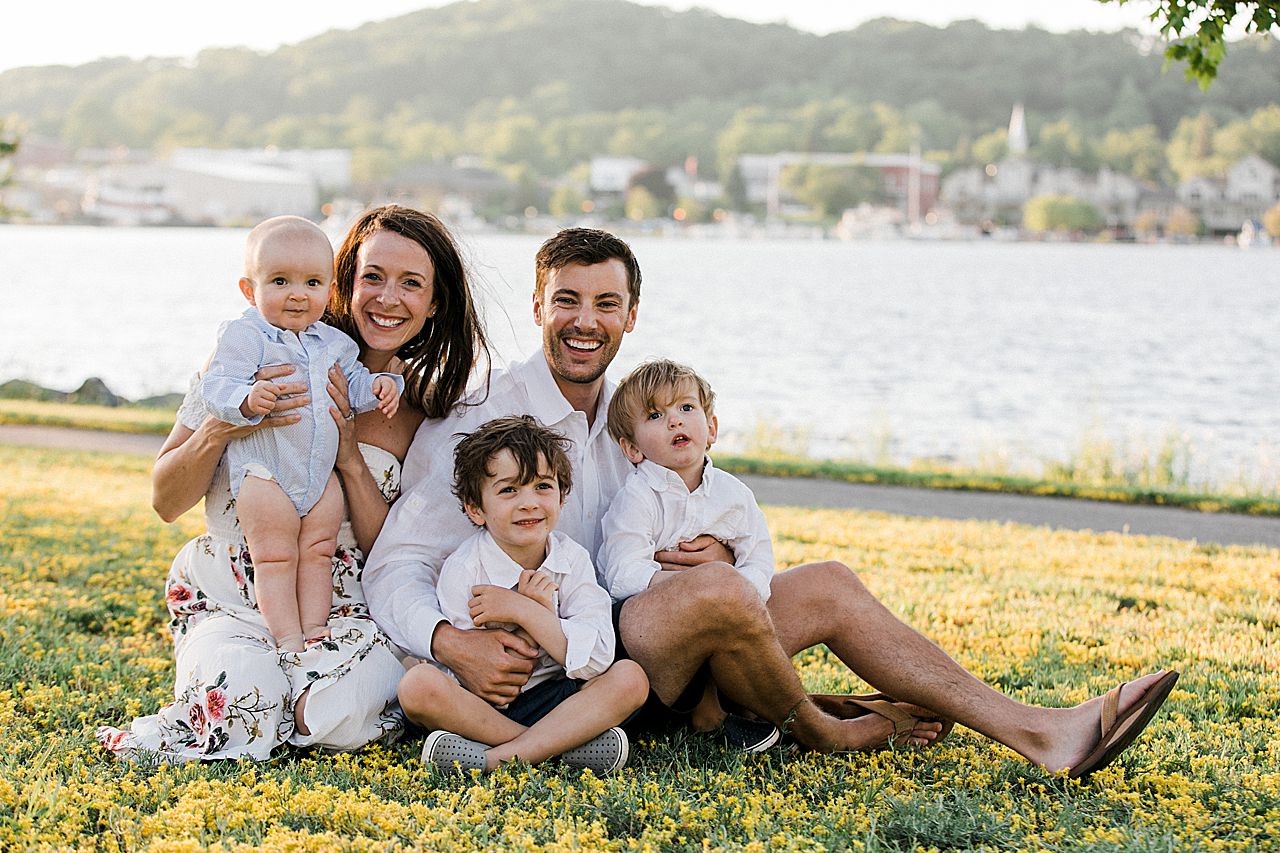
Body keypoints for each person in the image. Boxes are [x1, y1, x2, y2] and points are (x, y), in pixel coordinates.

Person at [366, 227, 1178, 778]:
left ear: (631, 316)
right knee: (719, 596)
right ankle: (822, 722)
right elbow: (394, 565)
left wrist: (713, 549)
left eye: (605, 304)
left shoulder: (633, 420)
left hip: (656, 632)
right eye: (567, 301)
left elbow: (686, 512)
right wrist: (446, 639)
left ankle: (1043, 729)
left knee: (824, 580)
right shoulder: (483, 422)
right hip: (579, 664)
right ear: (540, 307)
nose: (586, 321)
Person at [98, 205, 489, 762]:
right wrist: (224, 426)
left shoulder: (425, 412)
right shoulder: (244, 359)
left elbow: (394, 550)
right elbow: (165, 501)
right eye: (371, 277)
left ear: (434, 304)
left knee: (328, 716)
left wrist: (350, 458)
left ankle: (370, 687)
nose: (387, 298)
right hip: (235, 594)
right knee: (243, 707)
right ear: (343, 282)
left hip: (346, 606)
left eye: (411, 284)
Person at [198, 216, 403, 653]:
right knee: (274, 555)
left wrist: (381, 386)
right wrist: (248, 398)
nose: (297, 293)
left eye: (311, 282)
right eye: (279, 281)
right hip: (266, 472)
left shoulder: (335, 344)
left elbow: (356, 386)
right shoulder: (246, 336)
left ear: (329, 291)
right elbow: (215, 386)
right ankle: (286, 637)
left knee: (318, 551)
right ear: (250, 290)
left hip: (320, 473)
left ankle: (314, 630)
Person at [409, 415, 648, 774]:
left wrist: (528, 612)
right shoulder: (464, 570)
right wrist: (528, 619)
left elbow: (597, 658)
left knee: (630, 678)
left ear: (563, 495)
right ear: (476, 509)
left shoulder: (571, 560)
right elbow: (478, 672)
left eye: (543, 487)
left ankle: (495, 759)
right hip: (483, 709)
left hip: (557, 701)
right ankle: (555, 748)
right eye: (509, 490)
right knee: (417, 686)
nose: (529, 503)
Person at [598, 358, 780, 747]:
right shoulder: (637, 498)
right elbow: (622, 573)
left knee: (734, 607)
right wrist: (697, 586)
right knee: (712, 601)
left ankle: (745, 706)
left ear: (711, 428)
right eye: (655, 415)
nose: (675, 421)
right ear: (631, 448)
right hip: (654, 632)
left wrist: (737, 590)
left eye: (686, 408)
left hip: (732, 615)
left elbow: (759, 556)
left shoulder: (733, 495)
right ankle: (719, 711)